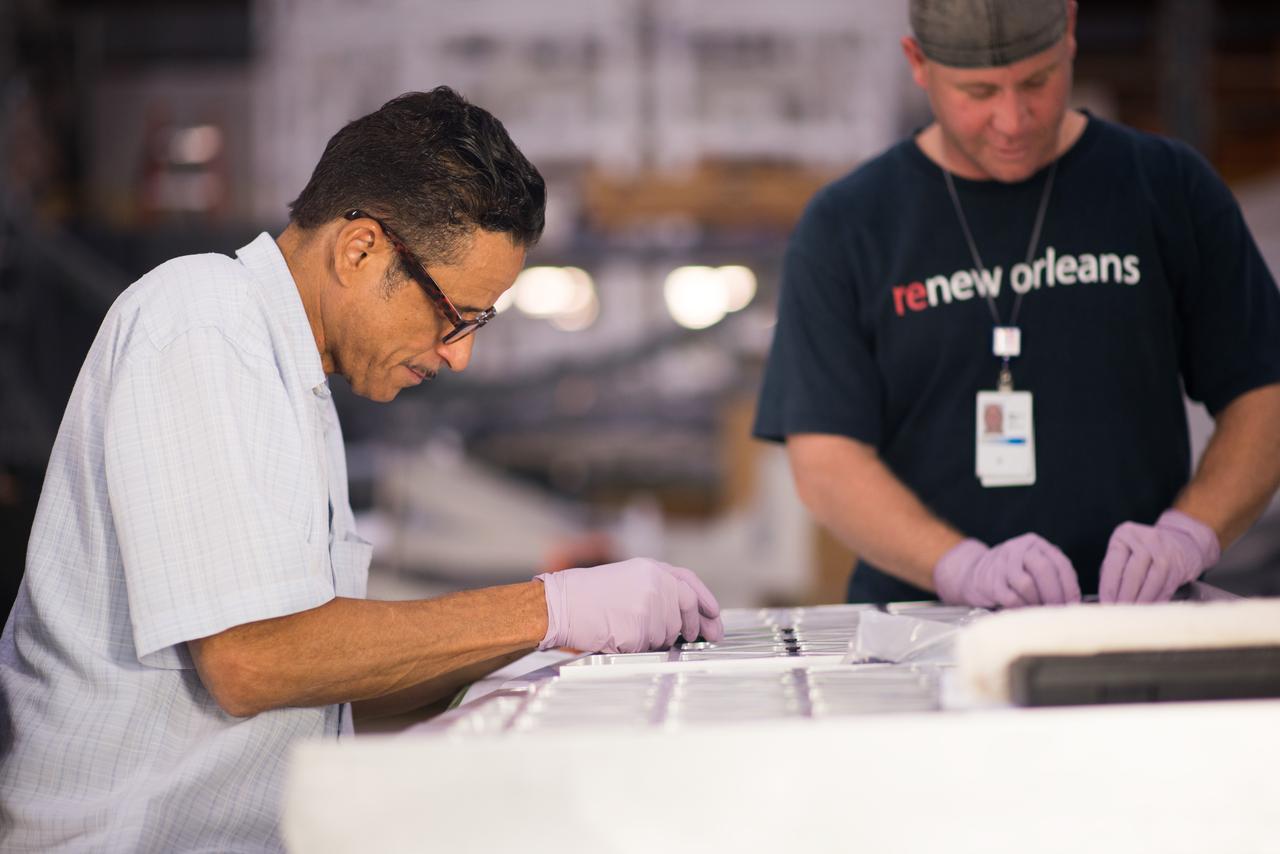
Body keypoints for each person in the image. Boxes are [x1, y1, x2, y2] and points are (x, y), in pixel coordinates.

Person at [0, 87, 723, 853]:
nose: (459, 353)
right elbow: (251, 659)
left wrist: (533, 658)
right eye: (456, 314)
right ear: (361, 250)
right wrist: (549, 609)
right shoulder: (202, 319)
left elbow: (320, 686)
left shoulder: (297, 389)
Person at [754, 0, 1280, 610]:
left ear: (1072, 35)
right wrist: (958, 566)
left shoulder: (1166, 187)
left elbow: (1264, 392)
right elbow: (825, 458)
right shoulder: (849, 224)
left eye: (1037, 81)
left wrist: (1191, 532)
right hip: (921, 626)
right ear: (918, 64)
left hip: (1135, 618)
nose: (1012, 119)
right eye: (978, 92)